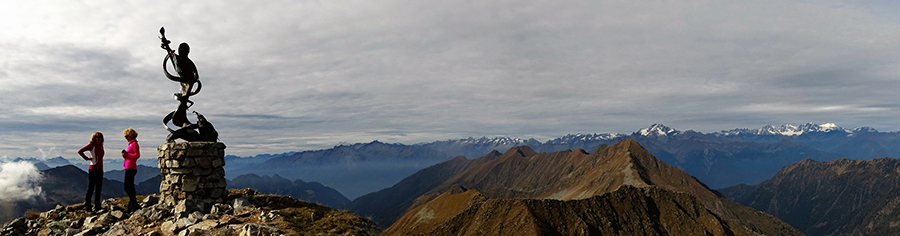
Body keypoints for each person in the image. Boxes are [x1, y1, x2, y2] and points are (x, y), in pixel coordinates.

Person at [77, 132, 104, 211]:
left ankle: (97, 206)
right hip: (93, 169)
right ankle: (88, 206)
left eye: (100, 137)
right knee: (91, 187)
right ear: (94, 138)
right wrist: (86, 158)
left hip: (100, 169)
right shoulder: (92, 145)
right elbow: (80, 151)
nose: (99, 139)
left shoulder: (101, 146)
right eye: (97, 137)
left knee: (98, 188)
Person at [121, 128, 141, 211]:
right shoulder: (131, 144)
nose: (125, 138)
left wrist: (127, 155)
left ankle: (134, 203)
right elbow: (131, 156)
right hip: (129, 167)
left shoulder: (134, 144)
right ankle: (132, 203)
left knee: (127, 186)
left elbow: (137, 155)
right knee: (129, 186)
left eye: (127, 136)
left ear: (131, 136)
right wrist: (125, 155)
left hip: (131, 167)